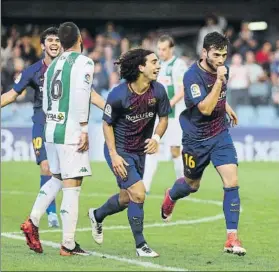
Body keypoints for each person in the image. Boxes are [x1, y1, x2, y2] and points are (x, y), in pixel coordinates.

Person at [20, 22, 104, 256]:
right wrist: (85, 129)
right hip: (71, 132)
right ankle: (68, 244)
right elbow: (81, 95)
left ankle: (33, 220)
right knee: (72, 185)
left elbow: (46, 100)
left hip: (51, 129)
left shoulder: (53, 64)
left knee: (57, 177)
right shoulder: (85, 62)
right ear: (79, 40)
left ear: (63, 42)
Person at [161, 32, 246, 256]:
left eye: (224, 55)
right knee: (192, 185)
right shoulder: (192, 77)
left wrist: (226, 107)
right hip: (196, 140)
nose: (221, 60)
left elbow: (218, 98)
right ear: (204, 52)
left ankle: (232, 238)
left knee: (232, 181)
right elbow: (205, 109)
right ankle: (171, 195)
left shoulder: (221, 70)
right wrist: (219, 80)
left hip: (220, 134)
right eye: (216, 55)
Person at [88, 48, 171, 257]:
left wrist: (156, 138)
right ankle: (141, 245)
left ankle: (97, 215)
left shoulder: (159, 91)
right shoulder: (118, 94)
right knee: (139, 193)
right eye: (154, 62)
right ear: (141, 67)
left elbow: (163, 119)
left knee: (127, 198)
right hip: (119, 150)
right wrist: (114, 155)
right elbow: (107, 125)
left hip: (139, 151)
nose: (158, 66)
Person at [1, 27, 62, 227]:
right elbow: (12, 94)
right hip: (41, 125)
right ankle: (51, 212)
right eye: (50, 40)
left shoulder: (68, 69)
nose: (54, 43)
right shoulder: (33, 71)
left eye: (58, 40)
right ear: (43, 45)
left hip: (62, 125)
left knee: (61, 173)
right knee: (46, 167)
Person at [143, 35, 187, 194]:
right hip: (157, 116)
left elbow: (182, 90)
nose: (160, 52)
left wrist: (168, 105)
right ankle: (145, 185)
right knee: (152, 147)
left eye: (164, 49)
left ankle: (181, 184)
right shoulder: (156, 65)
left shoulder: (179, 65)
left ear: (171, 49)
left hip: (174, 116)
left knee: (175, 150)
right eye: (159, 49)